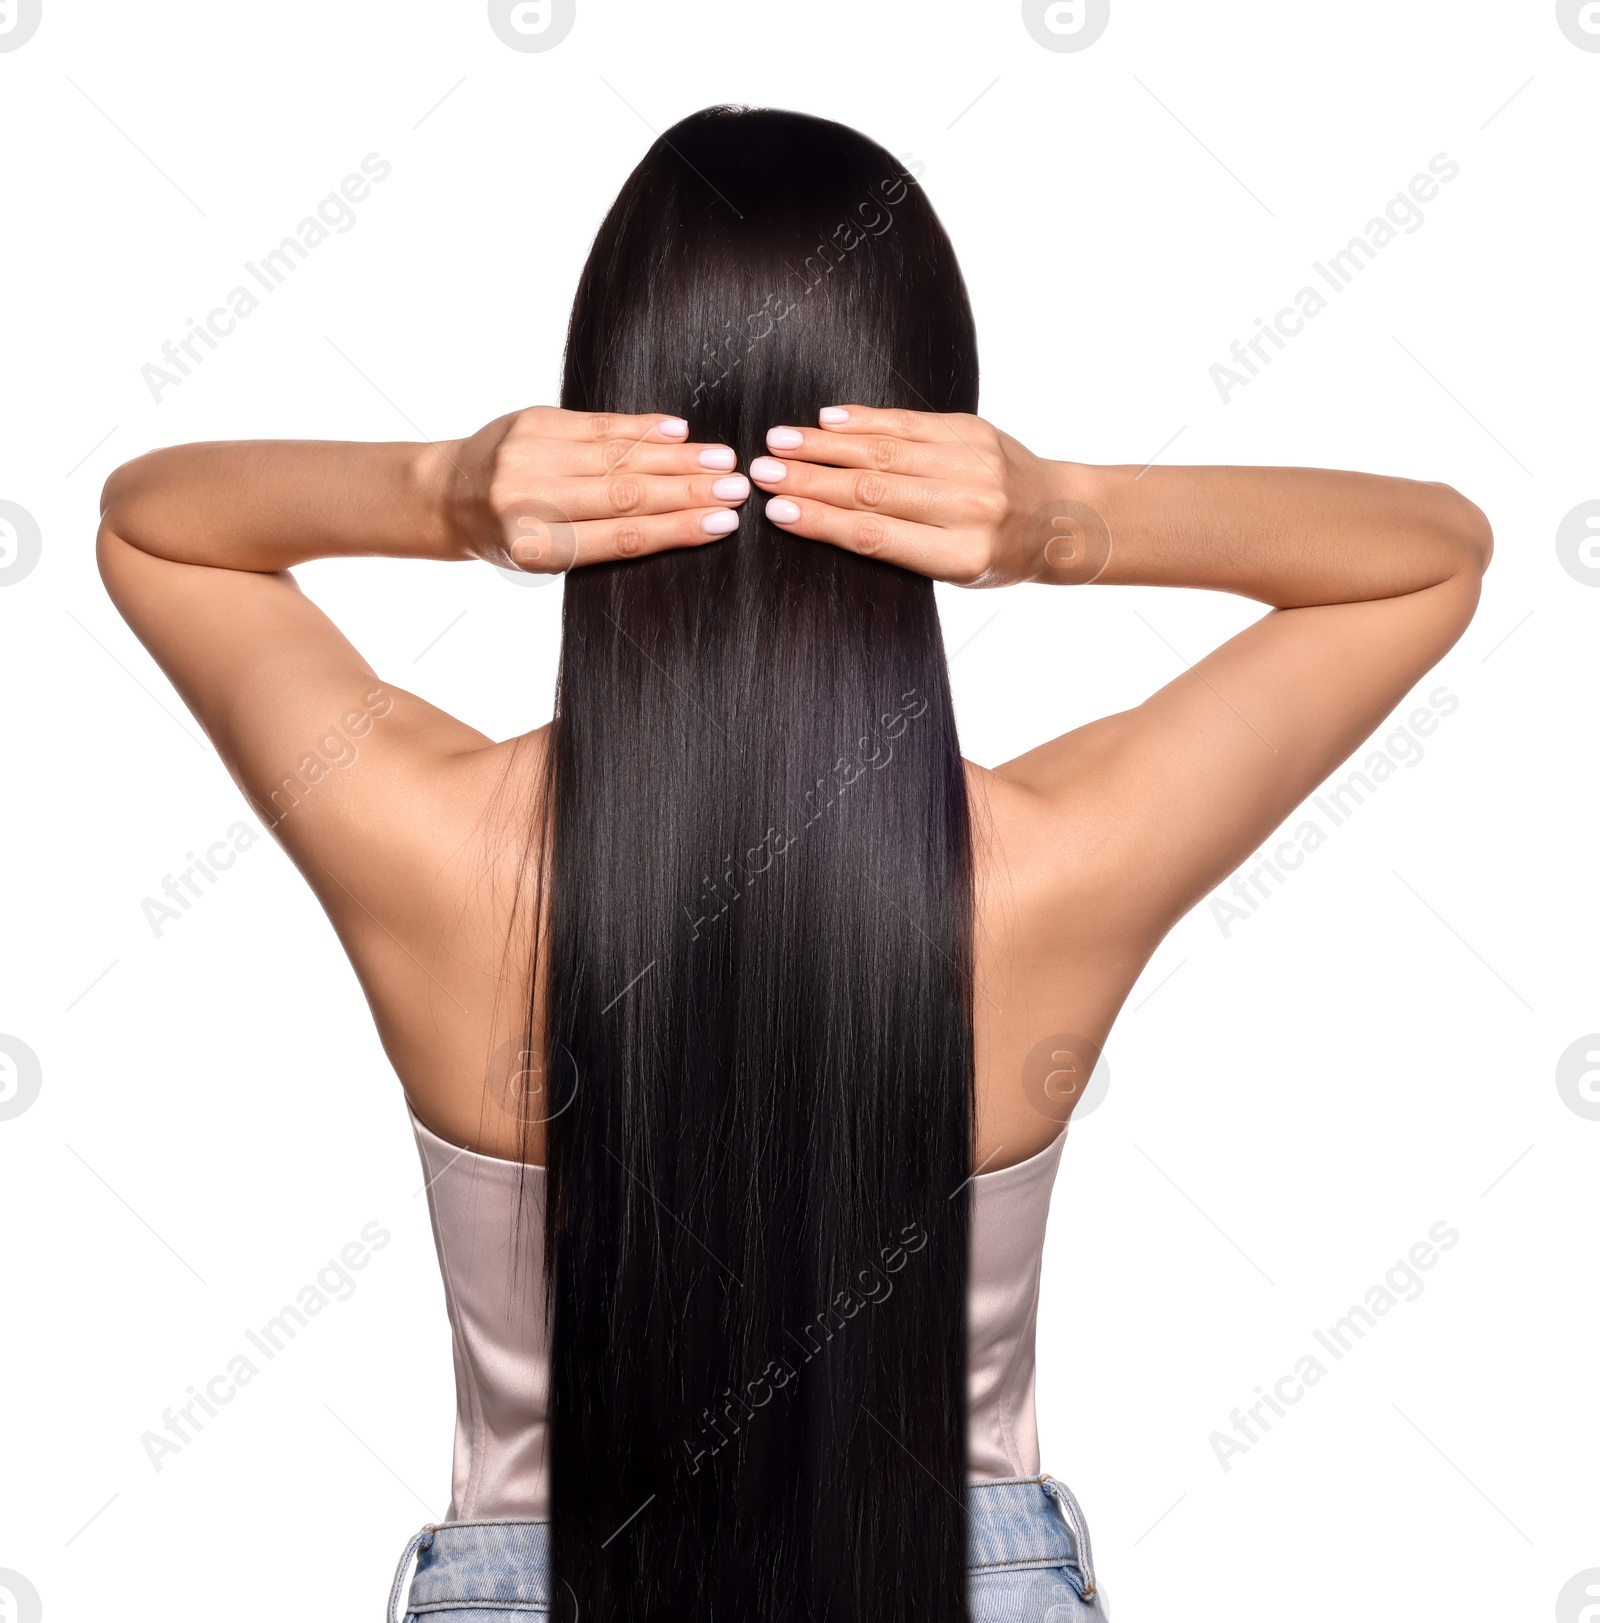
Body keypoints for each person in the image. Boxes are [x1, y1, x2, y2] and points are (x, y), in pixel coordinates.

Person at [97, 106, 1491, 1621]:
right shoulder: (1052, 866)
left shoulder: (431, 839)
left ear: (593, 416)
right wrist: (1065, 519)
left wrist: (443, 492)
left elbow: (157, 529)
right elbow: (1430, 556)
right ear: (942, 431)